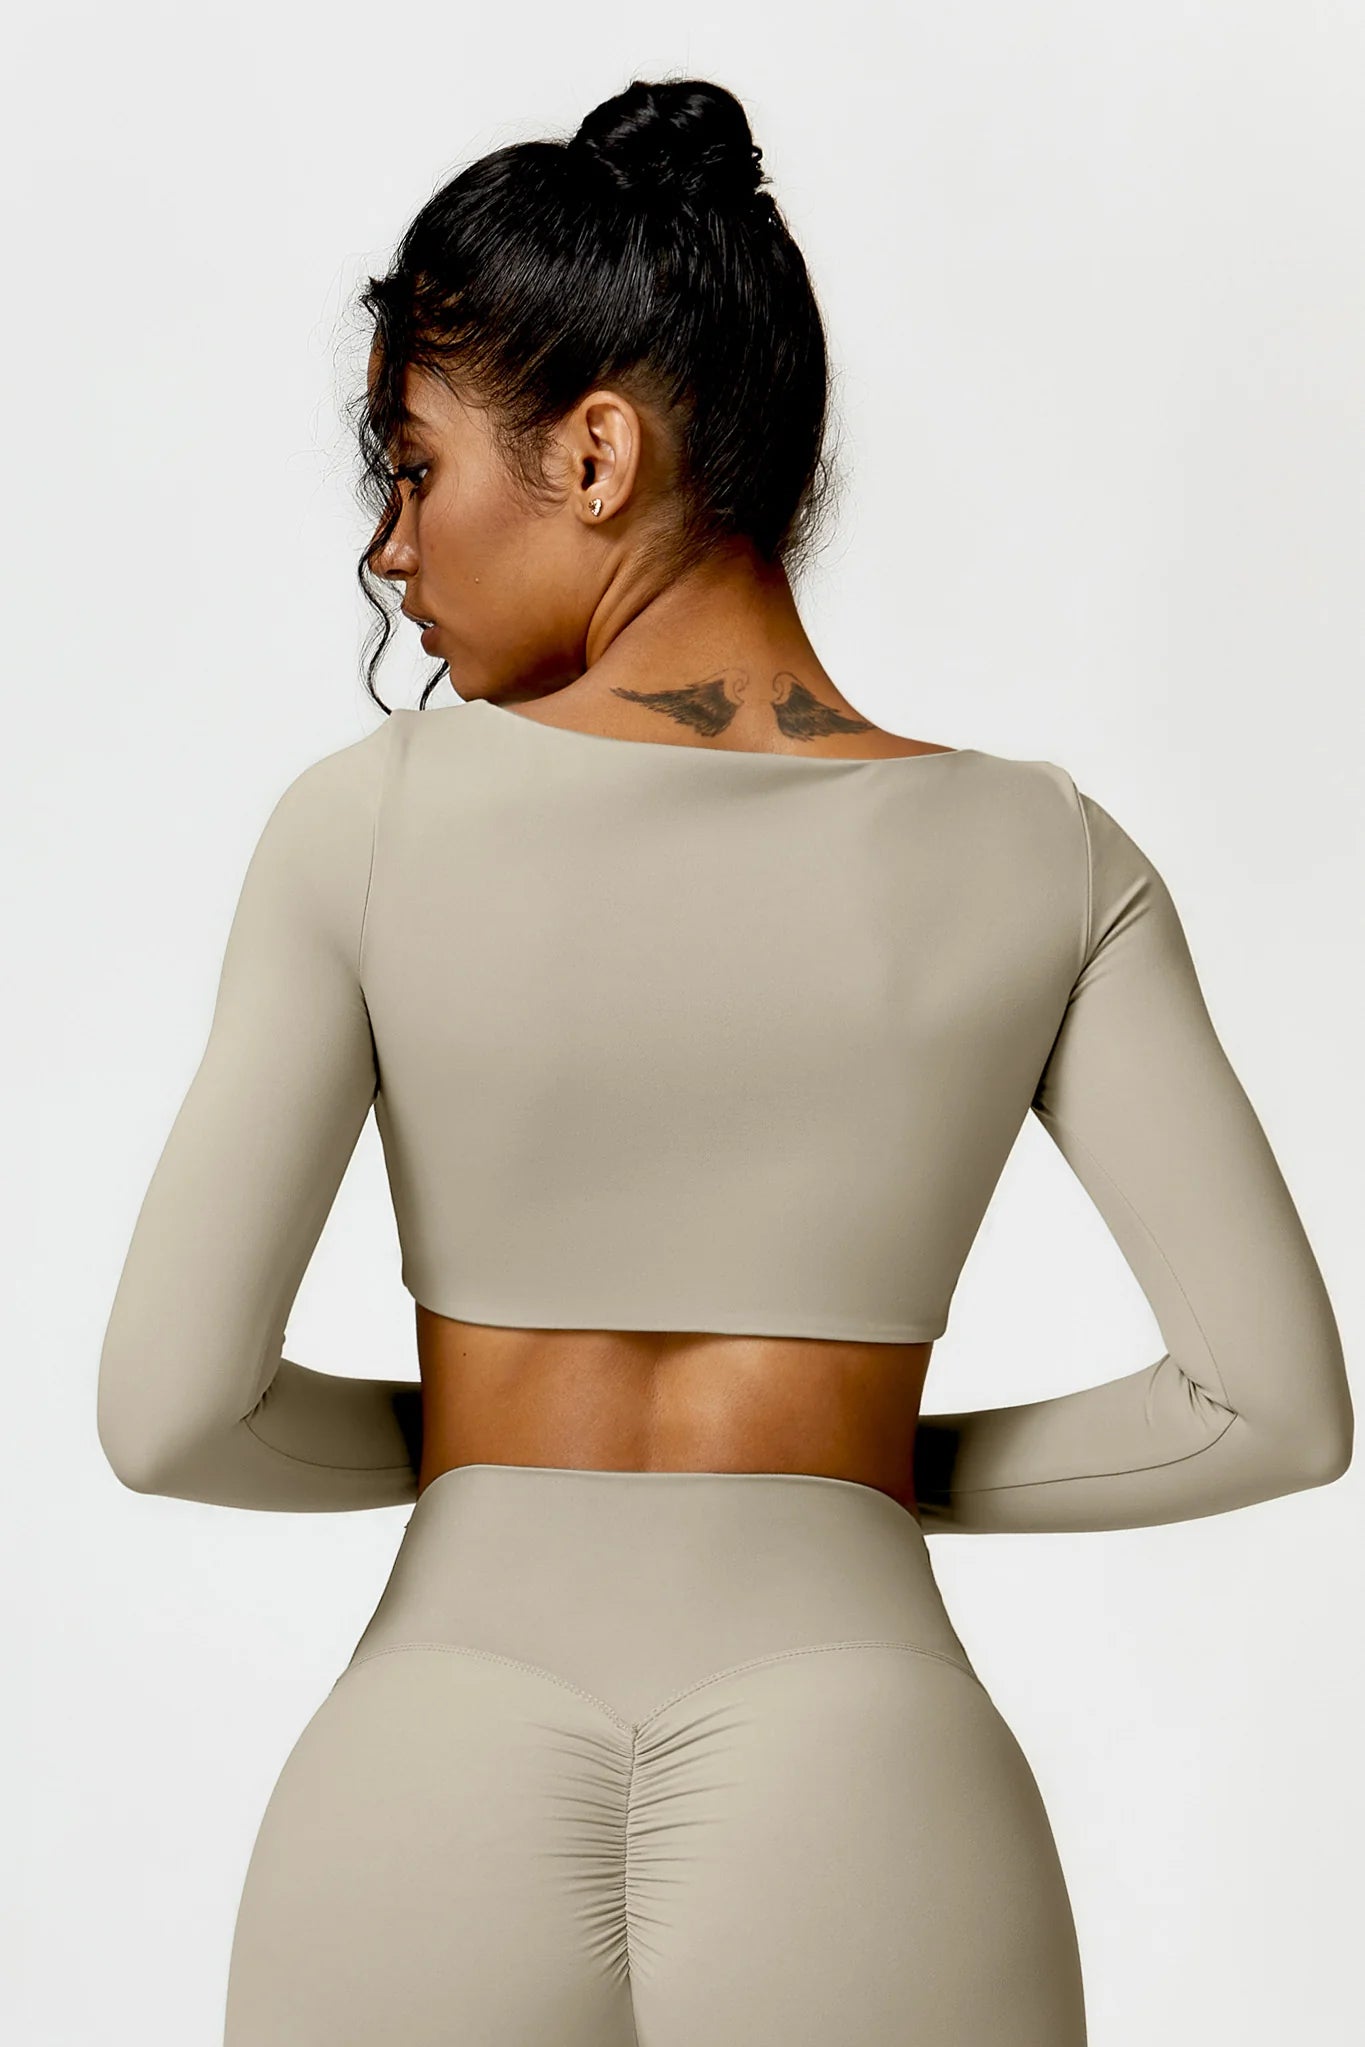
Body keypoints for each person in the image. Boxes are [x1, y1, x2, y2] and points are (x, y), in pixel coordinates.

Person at [95, 75, 1353, 2047]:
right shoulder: (1043, 855)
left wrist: (501, 1431)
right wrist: (846, 1461)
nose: (388, 549)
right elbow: (1269, 1412)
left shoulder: (366, 826)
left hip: (428, 1765)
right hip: (869, 1766)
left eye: (412, 468)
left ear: (594, 452)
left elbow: (173, 1417)